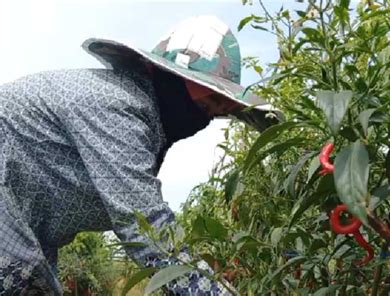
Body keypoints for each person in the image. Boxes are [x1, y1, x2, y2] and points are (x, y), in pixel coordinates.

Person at [0, 15, 281, 295]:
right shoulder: (117, 106)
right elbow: (144, 225)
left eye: (220, 106)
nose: (217, 107)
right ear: (164, 74)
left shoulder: (145, 122)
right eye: (207, 94)